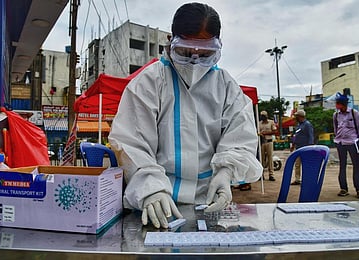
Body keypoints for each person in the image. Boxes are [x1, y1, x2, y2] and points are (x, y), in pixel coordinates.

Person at [108, 2, 262, 229]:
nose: (194, 61)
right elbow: (132, 143)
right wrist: (151, 189)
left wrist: (225, 173)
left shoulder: (226, 86)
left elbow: (240, 137)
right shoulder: (149, 82)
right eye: (185, 52)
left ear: (218, 47)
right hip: (156, 204)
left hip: (208, 202)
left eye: (205, 53)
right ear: (170, 41)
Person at [332, 92, 359, 199]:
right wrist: (337, 140)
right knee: (342, 165)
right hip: (340, 143)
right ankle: (343, 188)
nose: (336, 105)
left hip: (353, 143)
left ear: (343, 104)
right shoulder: (336, 115)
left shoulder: (353, 113)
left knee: (356, 166)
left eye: (338, 103)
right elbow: (335, 128)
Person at [289, 109, 314, 185]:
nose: (295, 117)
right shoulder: (298, 125)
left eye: (297, 116)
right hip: (298, 148)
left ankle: (306, 180)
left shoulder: (307, 124)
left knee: (306, 165)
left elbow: (310, 136)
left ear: (300, 116)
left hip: (305, 148)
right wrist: (293, 145)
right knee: (297, 164)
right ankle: (297, 179)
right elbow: (295, 136)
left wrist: (310, 147)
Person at [258, 110, 278, 181]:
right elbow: (258, 132)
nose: (262, 117)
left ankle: (271, 174)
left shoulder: (271, 122)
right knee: (262, 159)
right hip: (262, 142)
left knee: (270, 158)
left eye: (263, 116)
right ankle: (261, 174)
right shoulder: (259, 123)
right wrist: (260, 134)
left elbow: (275, 131)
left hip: (269, 141)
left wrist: (266, 133)